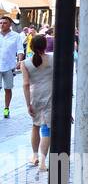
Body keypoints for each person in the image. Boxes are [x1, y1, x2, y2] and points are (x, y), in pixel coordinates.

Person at [21, 34, 54, 171]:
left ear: (31, 46)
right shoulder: (53, 59)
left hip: (35, 95)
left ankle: (35, 156)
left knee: (35, 126)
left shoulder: (25, 63)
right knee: (46, 129)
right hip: (50, 94)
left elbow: (26, 84)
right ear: (45, 45)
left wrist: (28, 103)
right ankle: (43, 161)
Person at [0, 16, 23, 119]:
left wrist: (19, 61)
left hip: (9, 66)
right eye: (0, 23)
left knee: (8, 89)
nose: (2, 25)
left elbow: (20, 50)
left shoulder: (16, 36)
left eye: (4, 23)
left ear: (10, 24)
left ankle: (6, 108)